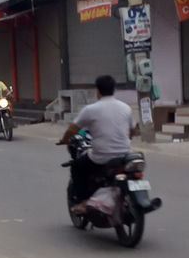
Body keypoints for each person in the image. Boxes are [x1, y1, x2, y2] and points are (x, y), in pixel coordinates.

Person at [57, 73, 139, 208]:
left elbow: (72, 129)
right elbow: (133, 130)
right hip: (125, 154)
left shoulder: (91, 109)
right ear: (114, 90)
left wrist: (64, 140)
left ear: (98, 91)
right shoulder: (126, 107)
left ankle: (83, 202)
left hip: (101, 157)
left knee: (77, 167)